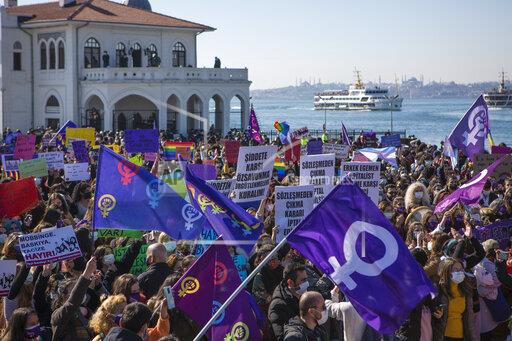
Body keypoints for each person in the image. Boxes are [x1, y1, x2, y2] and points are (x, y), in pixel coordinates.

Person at [432, 258, 477, 341]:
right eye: (456, 270)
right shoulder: (438, 290)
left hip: (461, 336)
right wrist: (435, 313)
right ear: (447, 272)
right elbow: (430, 311)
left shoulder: (465, 290)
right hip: (443, 336)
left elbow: (469, 319)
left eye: (461, 269)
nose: (460, 272)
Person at [268, 262, 308, 341]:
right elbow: (280, 337)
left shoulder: (305, 294)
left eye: (306, 279)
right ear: (290, 282)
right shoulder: (277, 306)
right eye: (303, 280)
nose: (306, 283)